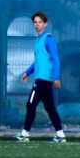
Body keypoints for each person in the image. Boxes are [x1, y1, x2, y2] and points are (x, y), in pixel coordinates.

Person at [14, 11, 67, 143]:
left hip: (44, 80)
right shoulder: (38, 40)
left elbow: (55, 58)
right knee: (50, 108)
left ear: (45, 24)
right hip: (42, 79)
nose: (37, 25)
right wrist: (27, 72)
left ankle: (24, 134)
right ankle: (61, 135)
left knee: (30, 105)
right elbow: (38, 61)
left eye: (40, 22)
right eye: (35, 22)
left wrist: (56, 77)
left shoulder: (48, 39)